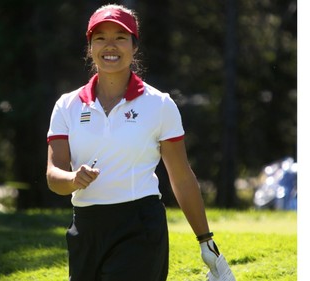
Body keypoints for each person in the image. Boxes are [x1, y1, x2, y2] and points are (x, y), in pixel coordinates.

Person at [46, 4, 221, 281]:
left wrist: (205, 239)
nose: (110, 45)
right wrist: (73, 179)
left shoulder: (159, 104)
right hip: (85, 228)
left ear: (134, 46)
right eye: (101, 38)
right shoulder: (67, 105)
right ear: (90, 47)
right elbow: (53, 176)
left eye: (120, 37)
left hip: (139, 226)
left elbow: (181, 177)